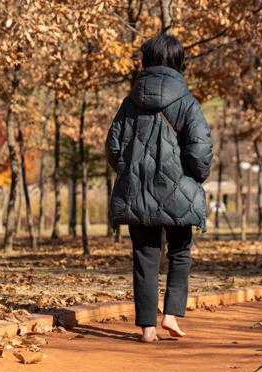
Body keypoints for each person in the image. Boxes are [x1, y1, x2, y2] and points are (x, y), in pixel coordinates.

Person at [105, 34, 212, 343]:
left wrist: (129, 172)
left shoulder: (129, 103)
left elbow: (113, 146)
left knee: (145, 255)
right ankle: (170, 316)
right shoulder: (188, 102)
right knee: (179, 252)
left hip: (135, 190)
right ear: (179, 62)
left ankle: (147, 329)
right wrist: (195, 176)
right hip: (178, 191)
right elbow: (200, 149)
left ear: (146, 61)